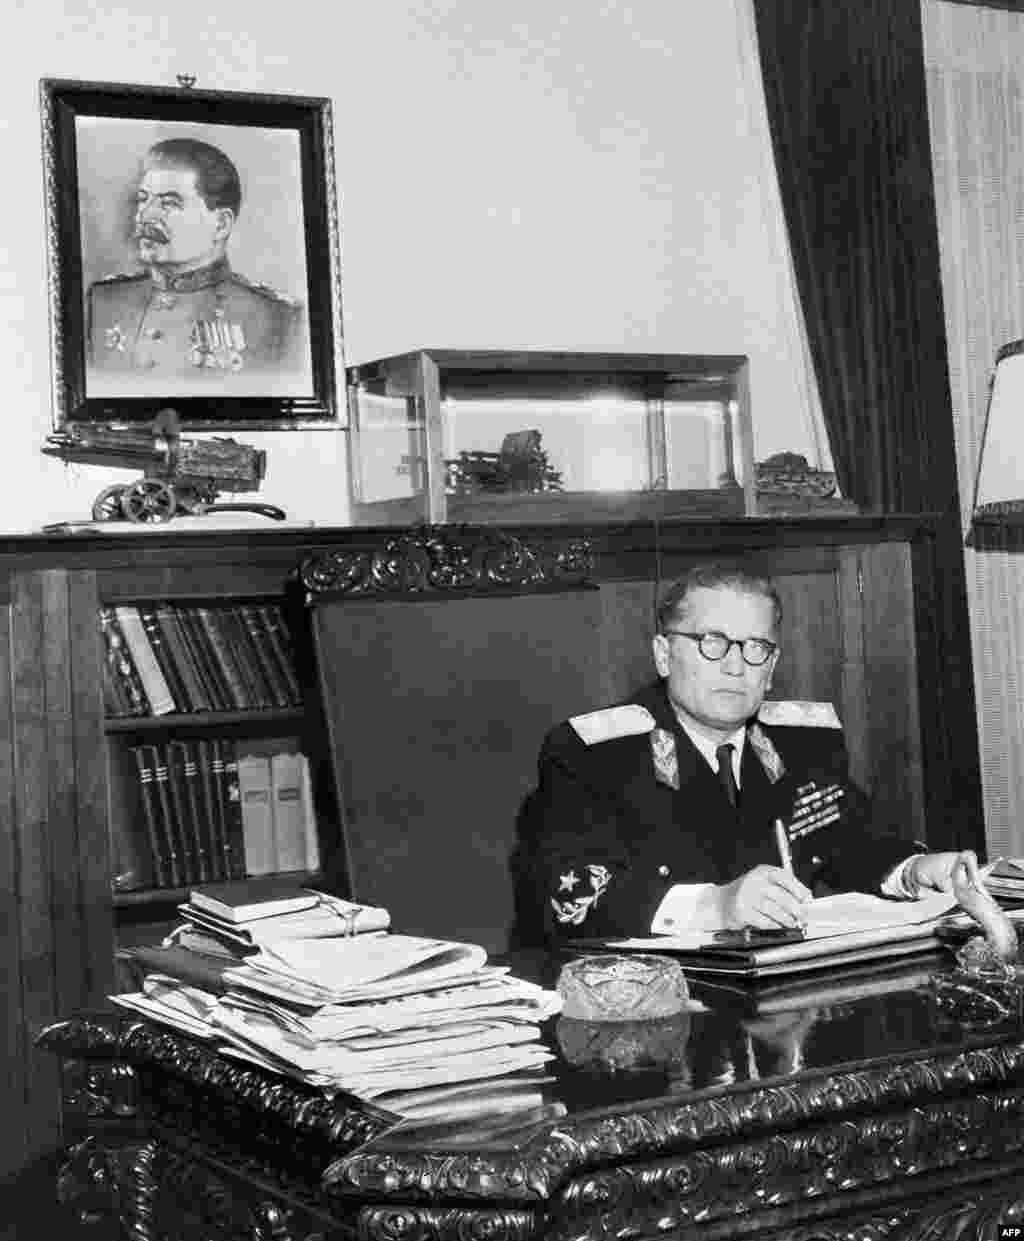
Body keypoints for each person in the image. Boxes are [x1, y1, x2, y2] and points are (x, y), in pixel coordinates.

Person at [517, 561, 982, 945]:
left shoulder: (802, 743)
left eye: (756, 647)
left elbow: (850, 845)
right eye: (711, 643)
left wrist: (914, 871)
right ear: (663, 655)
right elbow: (569, 901)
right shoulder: (593, 755)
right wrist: (716, 905)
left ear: (773, 667)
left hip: (788, 1000)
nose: (736, 666)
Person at [87, 138, 304, 377]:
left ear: (220, 224)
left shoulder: (277, 319)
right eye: (143, 199)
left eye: (169, 203)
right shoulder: (101, 303)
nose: (145, 215)